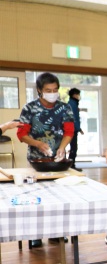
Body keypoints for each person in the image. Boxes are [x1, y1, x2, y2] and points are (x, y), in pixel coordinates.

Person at [17, 72, 75, 248]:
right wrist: (38, 144)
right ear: (39, 91)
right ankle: (35, 235)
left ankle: (57, 232)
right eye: (48, 90)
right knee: (37, 196)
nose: (52, 93)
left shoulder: (65, 108)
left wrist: (62, 147)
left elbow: (69, 131)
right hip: (37, 161)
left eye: (55, 89)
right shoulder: (29, 108)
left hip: (57, 160)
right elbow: (21, 134)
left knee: (59, 197)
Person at [67, 88, 84, 171]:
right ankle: (71, 165)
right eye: (78, 94)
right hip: (72, 129)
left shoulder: (73, 103)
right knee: (73, 148)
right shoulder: (72, 104)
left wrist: (79, 128)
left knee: (73, 147)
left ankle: (71, 164)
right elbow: (73, 118)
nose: (79, 96)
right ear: (74, 95)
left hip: (74, 129)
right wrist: (78, 128)